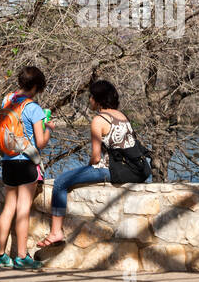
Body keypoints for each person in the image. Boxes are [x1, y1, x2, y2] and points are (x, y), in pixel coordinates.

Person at [37, 79, 134, 251]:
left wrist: (87, 167)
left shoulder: (99, 120)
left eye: (91, 96)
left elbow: (96, 158)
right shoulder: (122, 116)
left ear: (97, 99)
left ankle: (56, 232)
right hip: (128, 169)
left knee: (60, 182)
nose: (89, 99)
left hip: (107, 170)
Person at [0, 66, 50, 270]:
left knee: (8, 208)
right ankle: (22, 257)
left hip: (7, 161)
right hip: (26, 162)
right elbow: (40, 142)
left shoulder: (6, 100)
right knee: (23, 210)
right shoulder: (33, 108)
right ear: (35, 87)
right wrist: (48, 128)